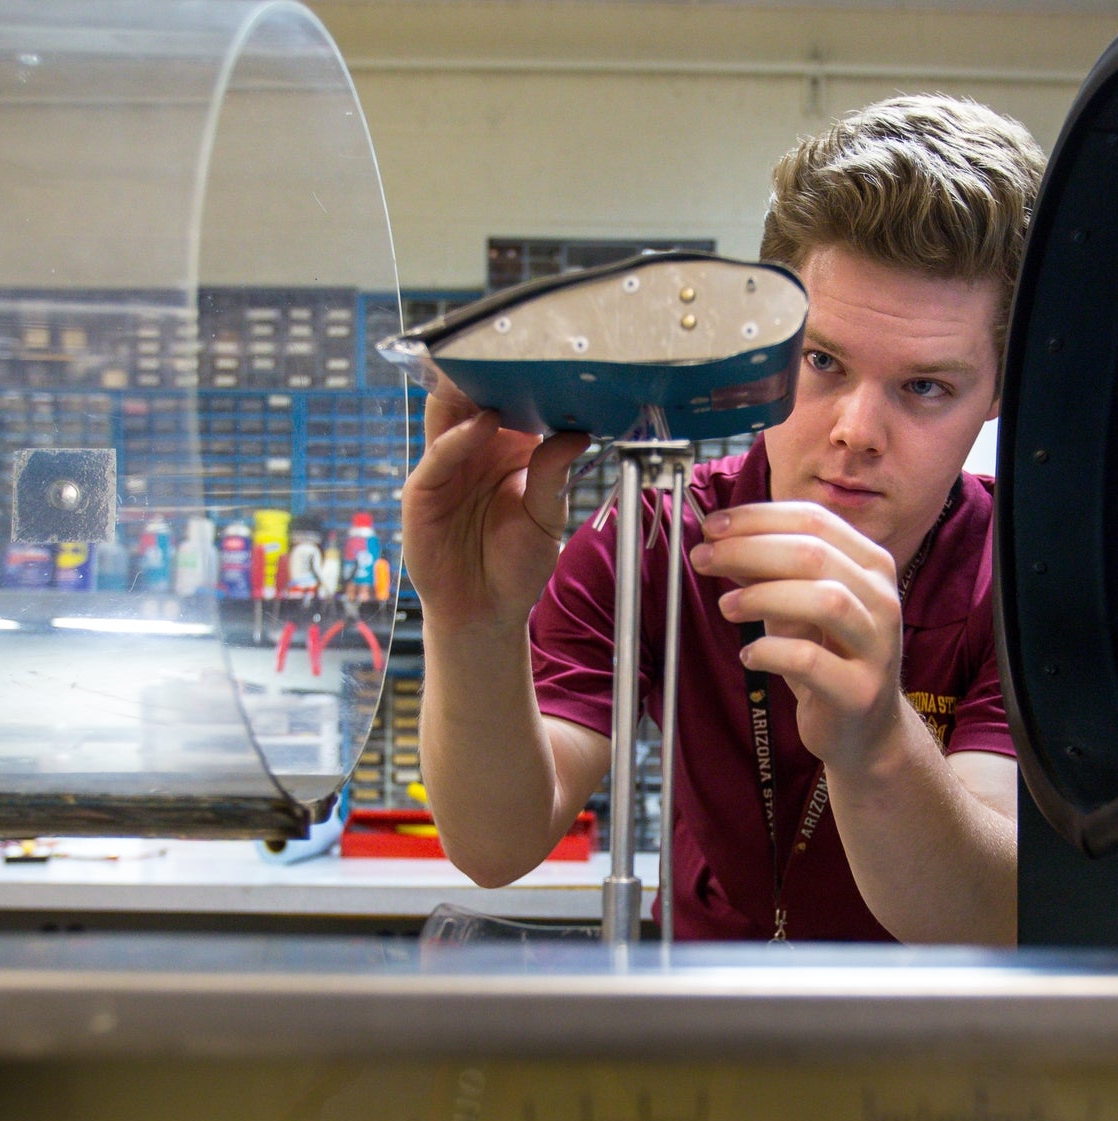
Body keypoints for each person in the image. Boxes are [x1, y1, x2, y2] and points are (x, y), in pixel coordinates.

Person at [404, 95, 1045, 944]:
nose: (855, 429)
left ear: (998, 395)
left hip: (924, 1061)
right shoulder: (657, 540)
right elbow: (493, 845)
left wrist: (877, 741)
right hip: (703, 1046)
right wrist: (473, 626)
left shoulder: (1021, 581)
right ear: (768, 347)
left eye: (924, 386)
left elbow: (992, 914)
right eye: (821, 361)